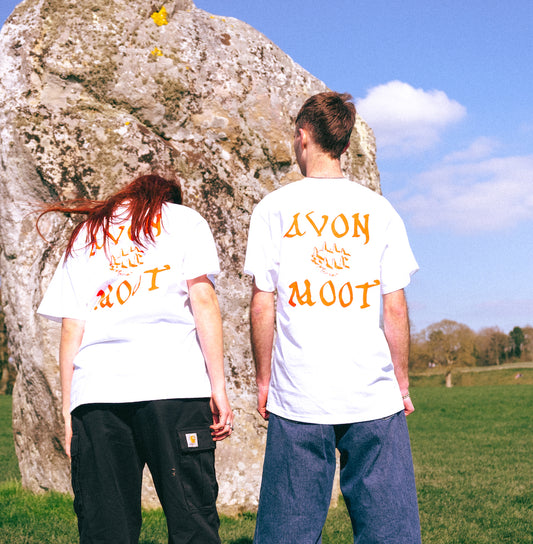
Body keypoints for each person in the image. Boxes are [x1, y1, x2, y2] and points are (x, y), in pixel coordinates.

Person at [244, 92, 421, 543]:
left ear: (303, 136)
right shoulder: (379, 210)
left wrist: (264, 380)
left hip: (299, 392)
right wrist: (400, 380)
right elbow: (394, 306)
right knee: (390, 532)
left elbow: (263, 303)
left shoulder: (273, 209)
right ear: (344, 144)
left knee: (287, 532)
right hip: (372, 393)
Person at [37, 174, 233, 544]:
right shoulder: (185, 220)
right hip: (174, 386)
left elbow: (72, 327)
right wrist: (218, 388)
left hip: (97, 394)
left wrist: (68, 411)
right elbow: (203, 300)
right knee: (193, 521)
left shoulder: (88, 234)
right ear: (167, 199)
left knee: (104, 528)